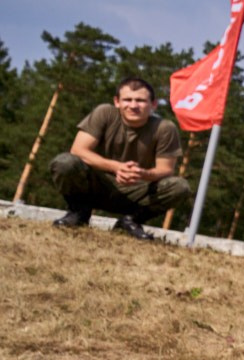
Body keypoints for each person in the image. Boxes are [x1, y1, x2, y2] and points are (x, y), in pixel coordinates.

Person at [51, 77, 191, 240]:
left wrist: (141, 174)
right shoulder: (105, 113)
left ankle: (130, 221)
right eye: (127, 100)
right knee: (64, 163)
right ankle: (78, 213)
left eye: (140, 100)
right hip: (97, 184)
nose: (133, 105)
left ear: (153, 104)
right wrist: (117, 167)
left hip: (136, 190)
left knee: (180, 187)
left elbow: (166, 169)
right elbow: (78, 150)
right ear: (117, 101)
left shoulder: (165, 128)